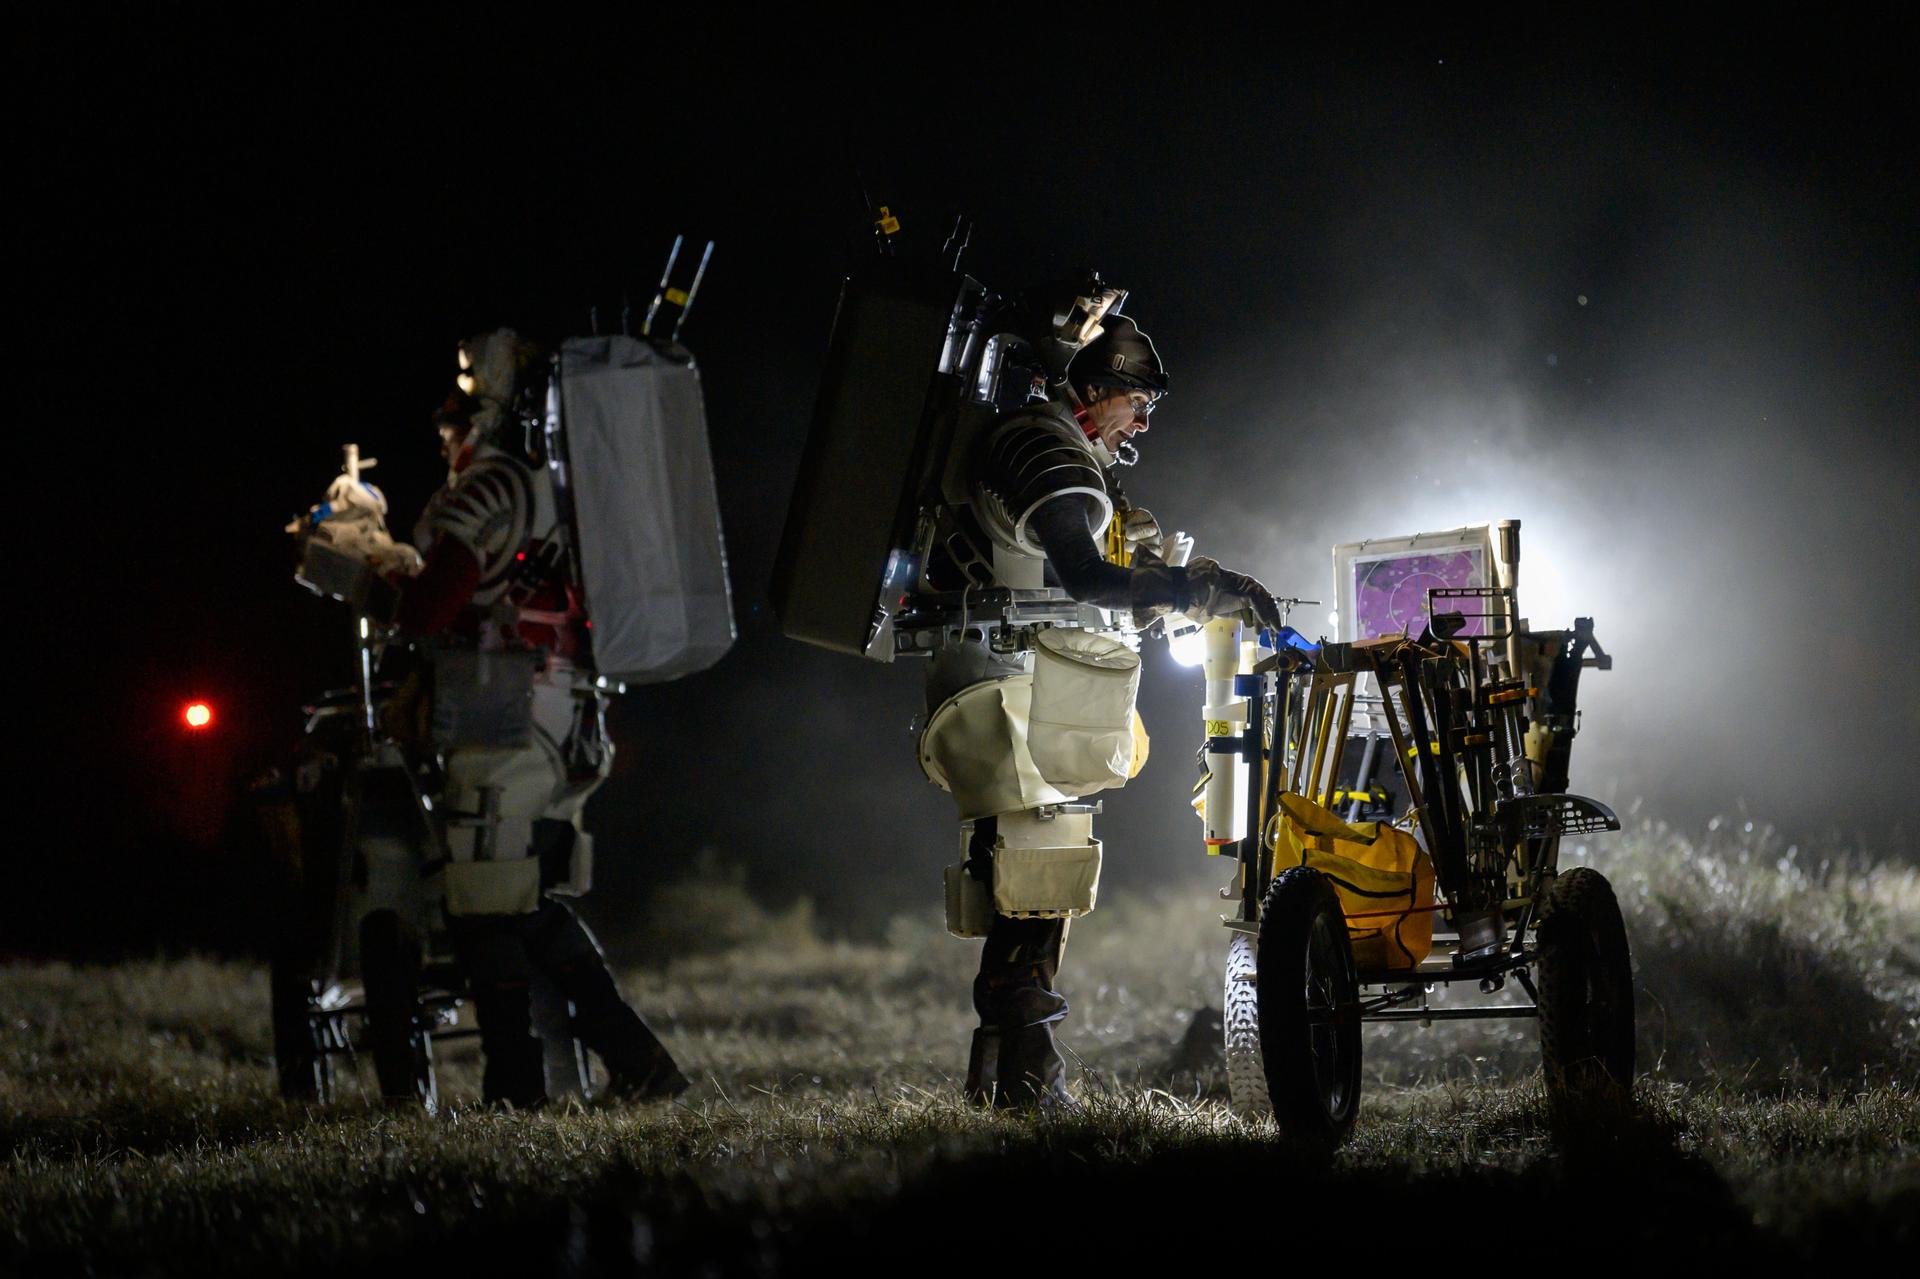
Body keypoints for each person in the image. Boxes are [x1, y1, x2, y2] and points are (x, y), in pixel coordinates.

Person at [923, 311, 1282, 1107]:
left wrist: (1192, 583)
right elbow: (1086, 575)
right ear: (1089, 389)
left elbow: (1107, 569)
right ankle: (1030, 1083)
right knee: (1038, 873)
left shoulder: (1066, 453)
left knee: (1033, 884)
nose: (1143, 421)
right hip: (1005, 690)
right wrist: (1189, 590)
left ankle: (1001, 1079)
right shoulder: (1040, 447)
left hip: (1027, 687)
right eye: (1135, 401)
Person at [395, 329, 687, 1108]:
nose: (449, 422)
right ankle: (624, 1064)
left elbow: (428, 606)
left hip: (506, 706)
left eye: (460, 406)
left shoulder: (492, 485)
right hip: (567, 706)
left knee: (485, 896)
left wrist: (379, 578)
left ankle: (526, 1086)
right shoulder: (560, 481)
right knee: (519, 898)